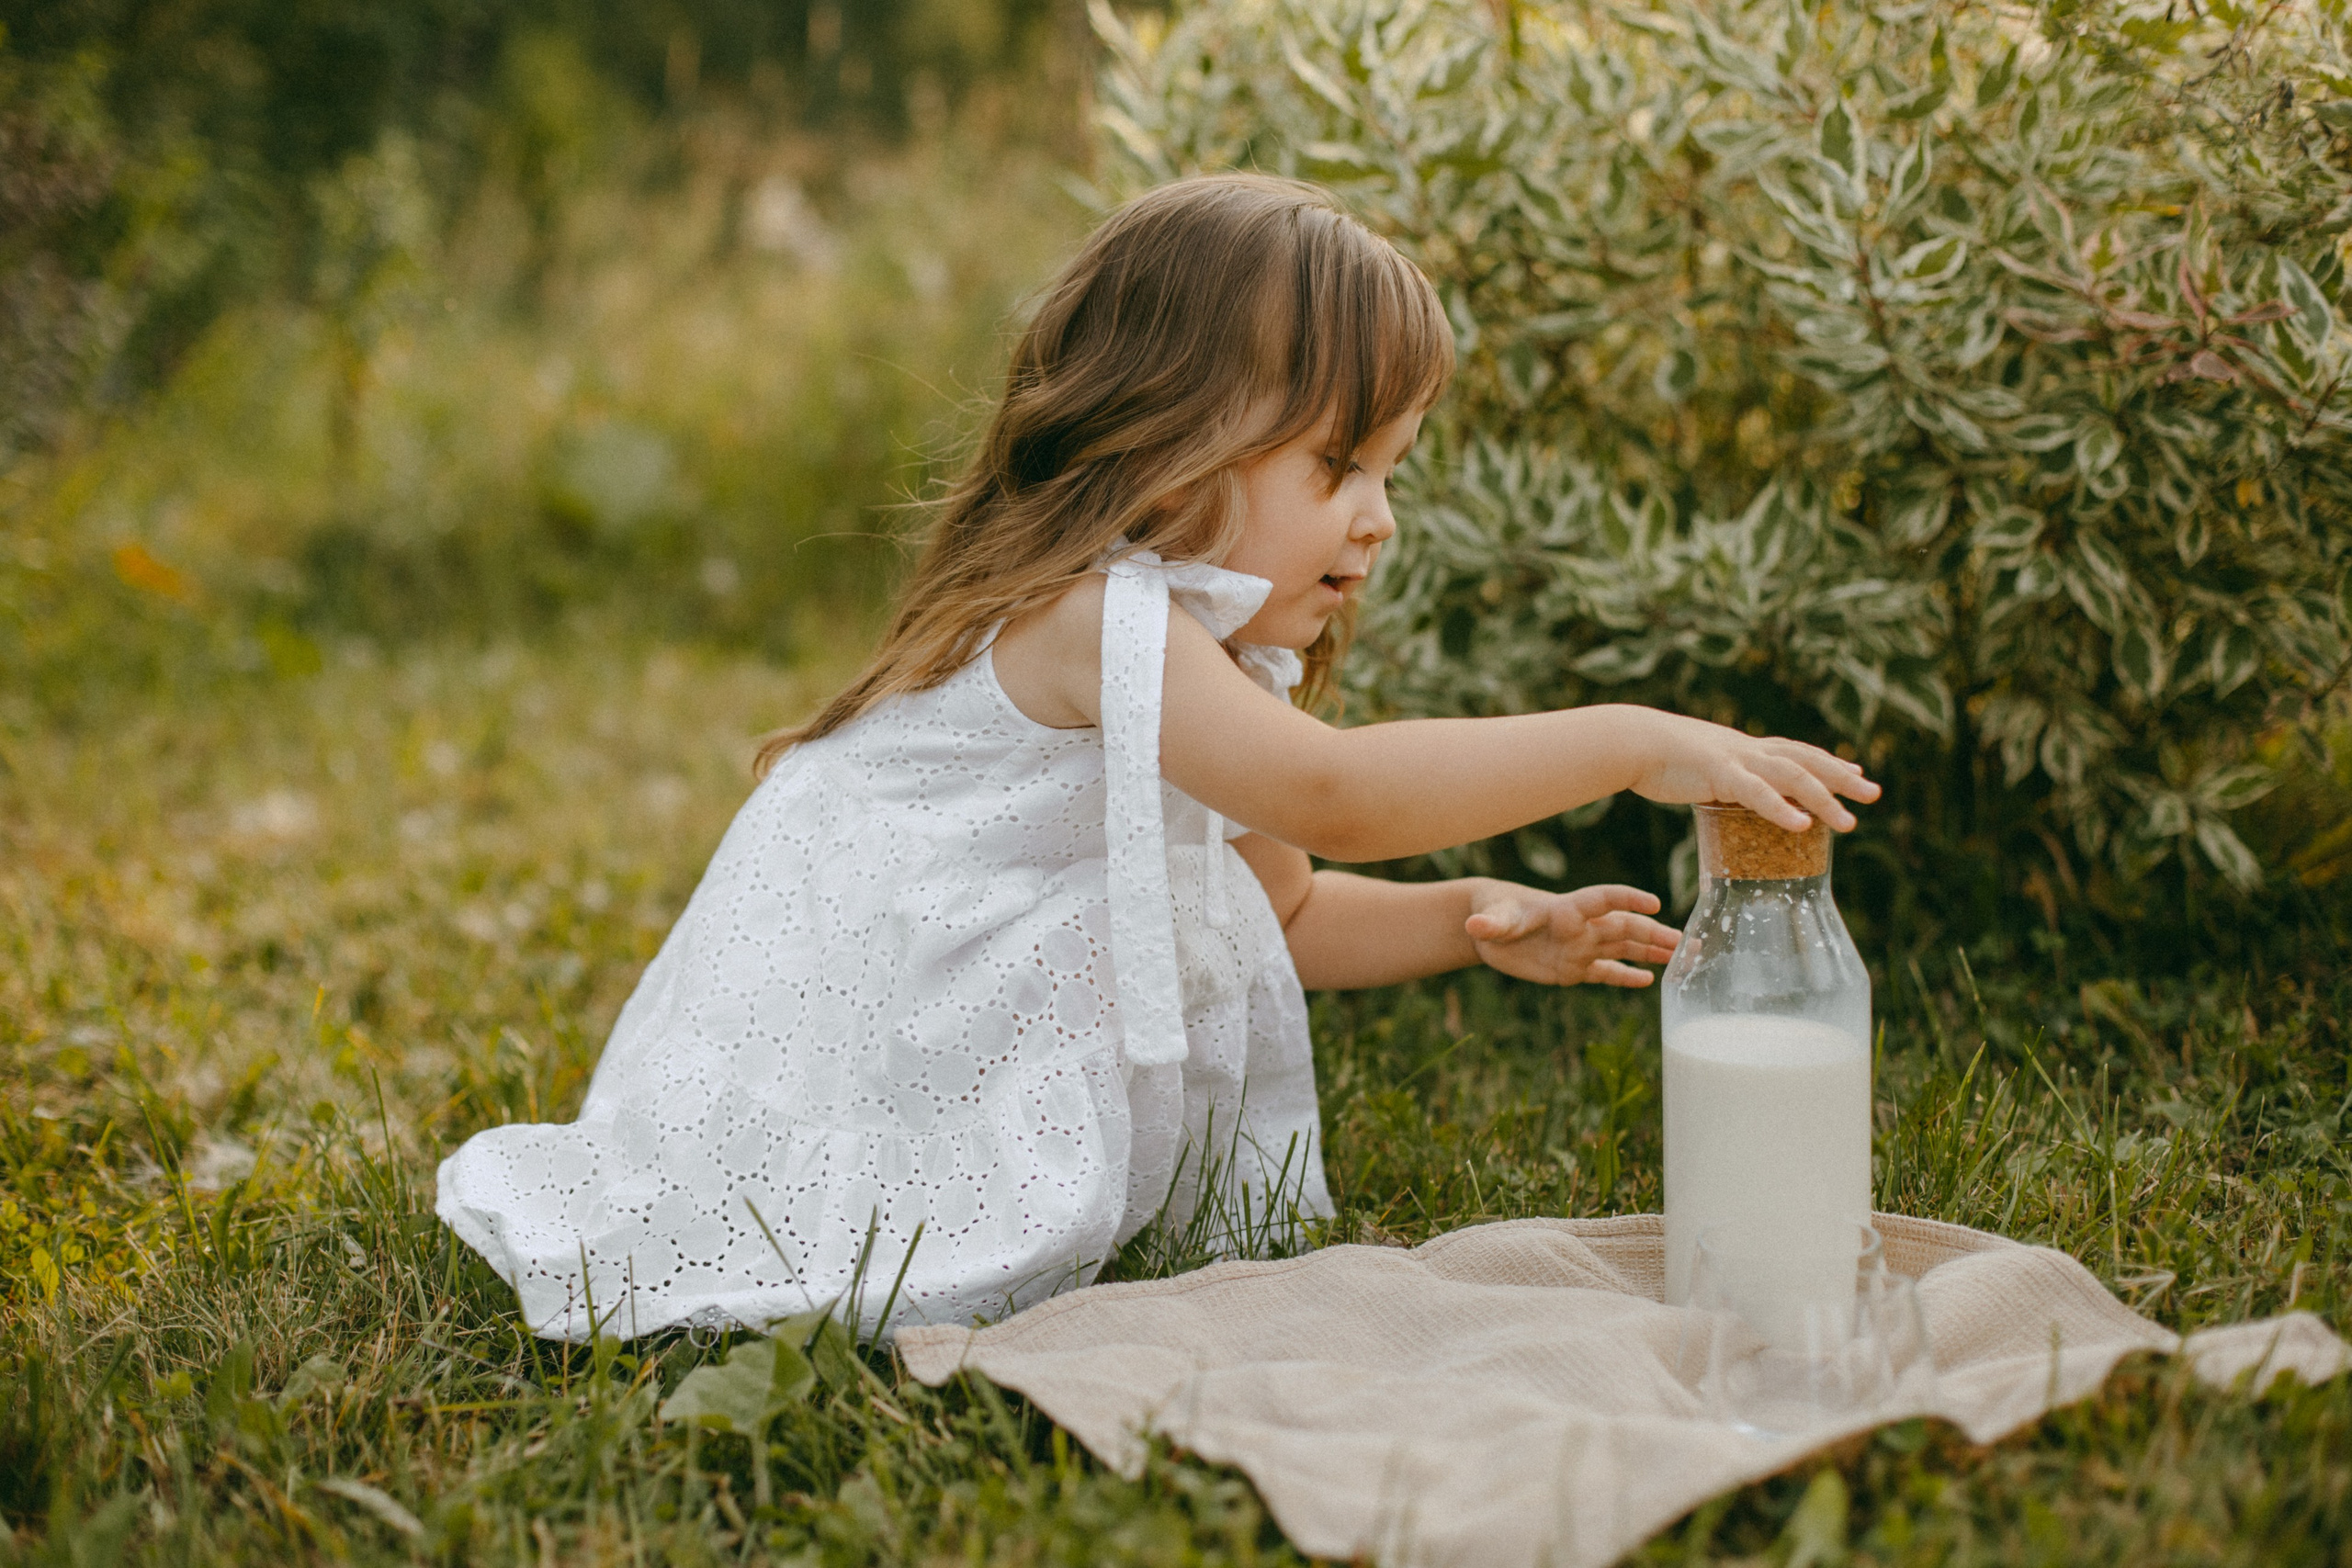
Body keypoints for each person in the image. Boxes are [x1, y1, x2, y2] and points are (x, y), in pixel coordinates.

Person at [435, 173, 1877, 1343]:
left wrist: (1477, 923)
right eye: (1339, 469)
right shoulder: (1092, 619)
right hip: (832, 1042)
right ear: (1174, 448)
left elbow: (1284, 905)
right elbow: (1336, 798)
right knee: (844, 1238)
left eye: (1392, 474)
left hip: (932, 1020)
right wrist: (1630, 743)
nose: (1377, 521)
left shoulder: (1203, 658)